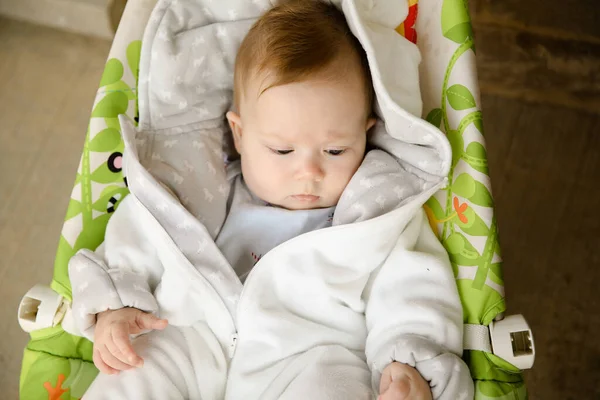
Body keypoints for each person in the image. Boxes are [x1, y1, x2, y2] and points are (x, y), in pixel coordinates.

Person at [70, 1, 472, 399]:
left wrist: (405, 360)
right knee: (137, 369)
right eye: (282, 151)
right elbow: (136, 239)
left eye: (335, 151)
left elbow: (412, 286)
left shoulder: (378, 214)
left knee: (333, 388)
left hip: (310, 355)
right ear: (240, 134)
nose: (308, 172)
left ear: (367, 134)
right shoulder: (192, 192)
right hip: (192, 339)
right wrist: (116, 308)